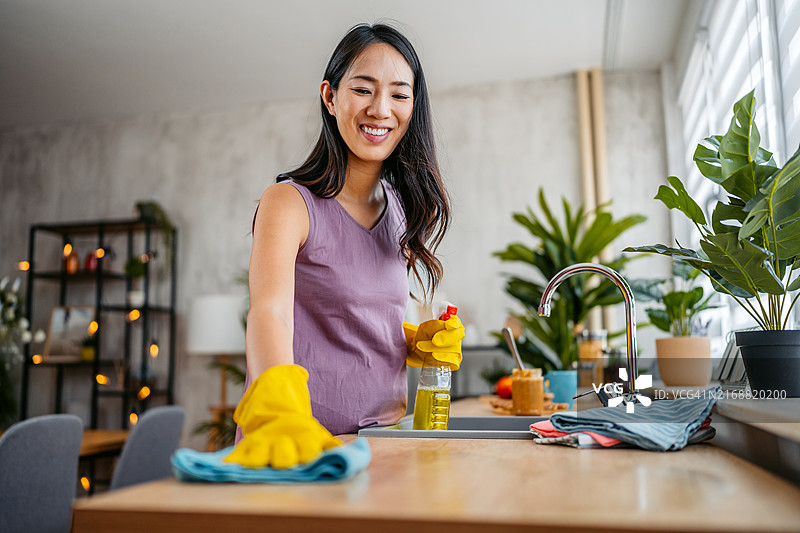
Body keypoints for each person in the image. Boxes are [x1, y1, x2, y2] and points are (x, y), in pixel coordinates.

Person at [225, 23, 465, 470]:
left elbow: (359, 317)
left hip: (382, 447)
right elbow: (269, 311)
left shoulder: (399, 209)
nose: (380, 109)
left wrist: (412, 343)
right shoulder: (289, 202)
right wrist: (279, 409)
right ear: (330, 97)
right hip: (299, 450)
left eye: (399, 94)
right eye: (363, 89)